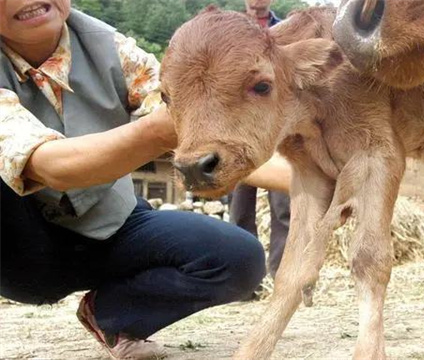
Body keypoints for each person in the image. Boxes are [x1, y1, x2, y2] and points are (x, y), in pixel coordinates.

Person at [0, 1, 289, 359]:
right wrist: (160, 130)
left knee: (239, 258)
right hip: (23, 251)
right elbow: (50, 167)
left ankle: (111, 313)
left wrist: (315, 182)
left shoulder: (112, 47)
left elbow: (205, 143)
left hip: (114, 222)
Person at [229, 0, 290, 278]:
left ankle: (281, 277)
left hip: (276, 131)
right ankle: (243, 279)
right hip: (238, 130)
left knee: (283, 208)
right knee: (240, 207)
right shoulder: (230, 32)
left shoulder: (285, 31)